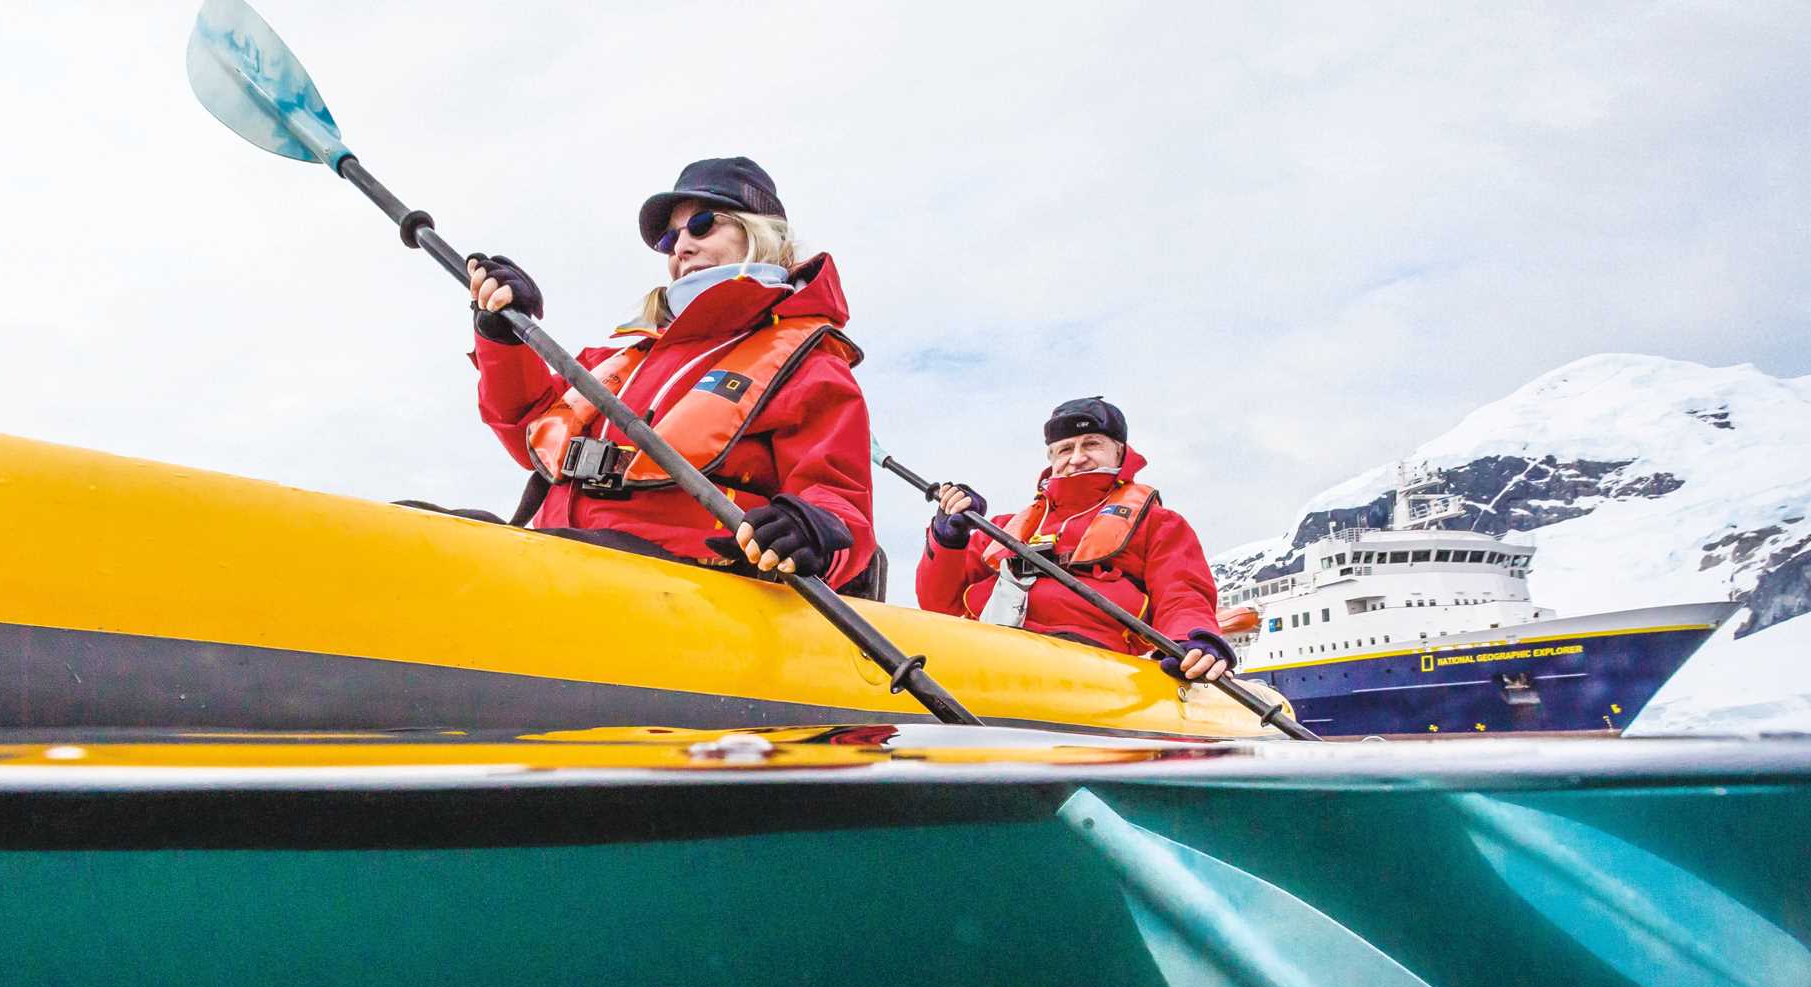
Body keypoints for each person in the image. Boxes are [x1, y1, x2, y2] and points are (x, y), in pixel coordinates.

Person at [463, 156, 879, 594]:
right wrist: (503, 337)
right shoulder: (625, 355)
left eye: (702, 225)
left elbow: (837, 498)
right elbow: (528, 428)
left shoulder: (807, 363)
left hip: (698, 586)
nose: (681, 246)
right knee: (410, 529)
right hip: (568, 557)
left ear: (759, 232)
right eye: (669, 239)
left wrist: (807, 527)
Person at [915, 397, 1237, 681]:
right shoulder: (1003, 528)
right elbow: (937, 603)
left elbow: (1182, 593)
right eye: (1065, 449)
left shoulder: (1158, 524)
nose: (1077, 458)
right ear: (1051, 459)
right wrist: (947, 536)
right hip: (980, 651)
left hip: (1091, 665)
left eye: (1092, 444)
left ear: (1120, 451)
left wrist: (1192, 639)